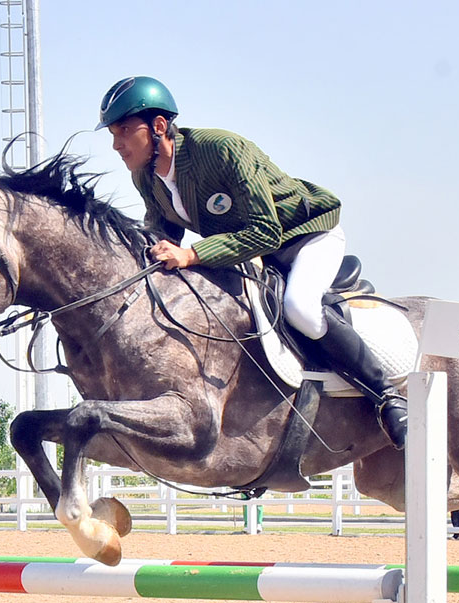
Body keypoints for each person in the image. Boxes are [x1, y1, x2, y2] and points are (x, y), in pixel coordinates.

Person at [97, 76, 408, 449]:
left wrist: (192, 255)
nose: (116, 144)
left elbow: (266, 231)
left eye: (124, 131)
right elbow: (163, 234)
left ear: (159, 126)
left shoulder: (221, 149)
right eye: (112, 134)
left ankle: (387, 397)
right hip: (255, 253)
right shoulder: (145, 177)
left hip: (306, 236)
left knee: (299, 308)